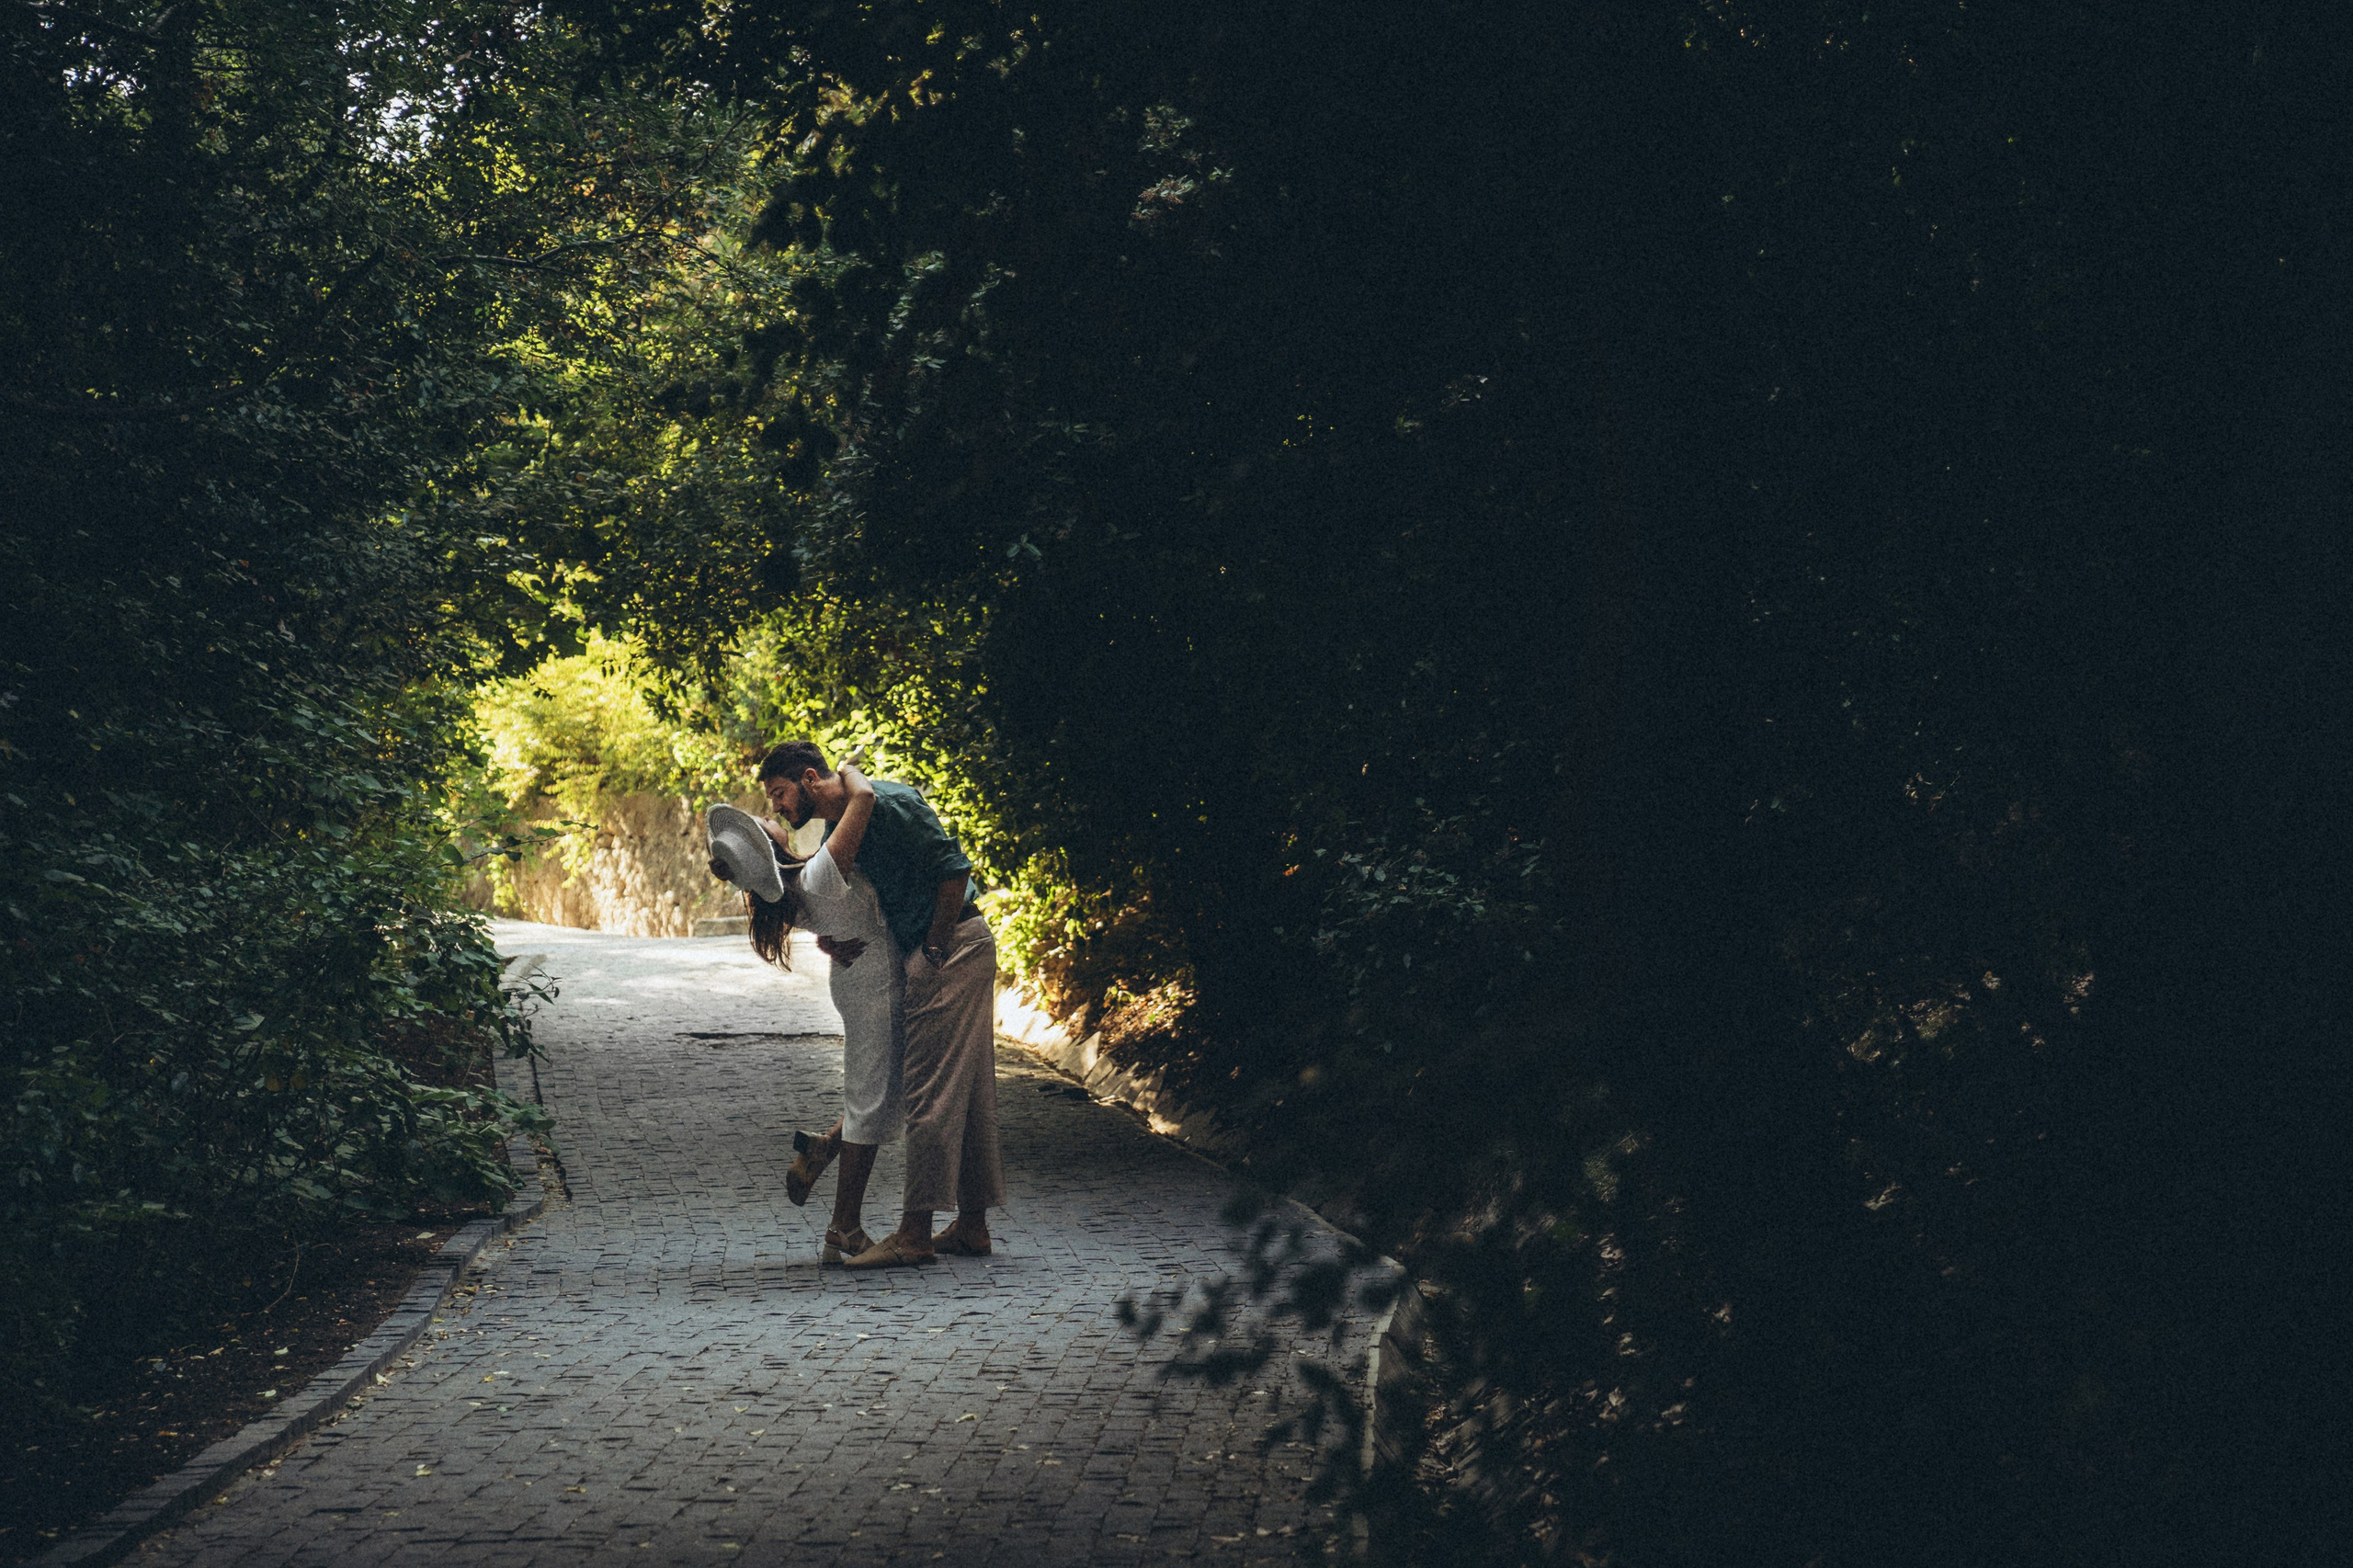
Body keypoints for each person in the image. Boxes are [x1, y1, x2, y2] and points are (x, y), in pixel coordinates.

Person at [749, 740, 1004, 1268]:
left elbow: (954, 871)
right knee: (968, 1090)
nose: (778, 805)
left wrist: (933, 949)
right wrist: (829, 936)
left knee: (928, 1095)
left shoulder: (890, 802)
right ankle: (972, 1227)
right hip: (938, 951)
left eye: (779, 793)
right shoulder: (842, 825)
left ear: (810, 778)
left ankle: (914, 1234)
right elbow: (844, 898)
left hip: (949, 949)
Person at [712, 763, 902, 1265]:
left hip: (861, 982)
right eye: (765, 822)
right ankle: (844, 1228)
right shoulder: (818, 875)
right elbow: (863, 801)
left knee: (885, 1091)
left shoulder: (798, 885)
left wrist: (828, 937)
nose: (771, 815)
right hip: (876, 987)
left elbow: (836, 912)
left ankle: (823, 1149)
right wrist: (848, 769)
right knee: (870, 1101)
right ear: (769, 847)